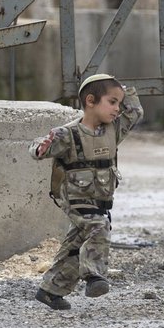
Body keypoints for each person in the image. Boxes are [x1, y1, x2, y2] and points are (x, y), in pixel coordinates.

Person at [29, 73, 143, 310]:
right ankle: (94, 277)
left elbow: (136, 112)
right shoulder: (68, 134)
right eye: (112, 102)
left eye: (119, 104)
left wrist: (121, 88)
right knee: (98, 227)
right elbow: (37, 149)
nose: (117, 109)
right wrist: (42, 147)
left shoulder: (114, 130)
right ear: (91, 101)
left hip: (100, 199)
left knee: (75, 246)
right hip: (74, 198)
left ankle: (50, 291)